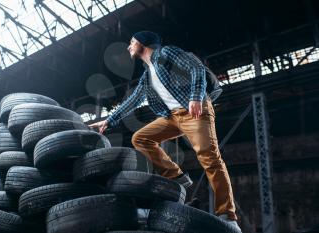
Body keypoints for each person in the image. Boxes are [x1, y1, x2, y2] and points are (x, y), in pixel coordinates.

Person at [89, 31, 241, 231]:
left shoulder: (165, 53)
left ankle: (227, 214)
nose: (128, 47)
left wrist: (196, 95)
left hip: (195, 110)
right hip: (173, 117)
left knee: (210, 158)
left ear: (143, 43)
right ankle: (177, 177)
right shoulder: (146, 75)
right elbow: (133, 100)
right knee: (141, 138)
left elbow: (195, 67)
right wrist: (109, 121)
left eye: (131, 42)